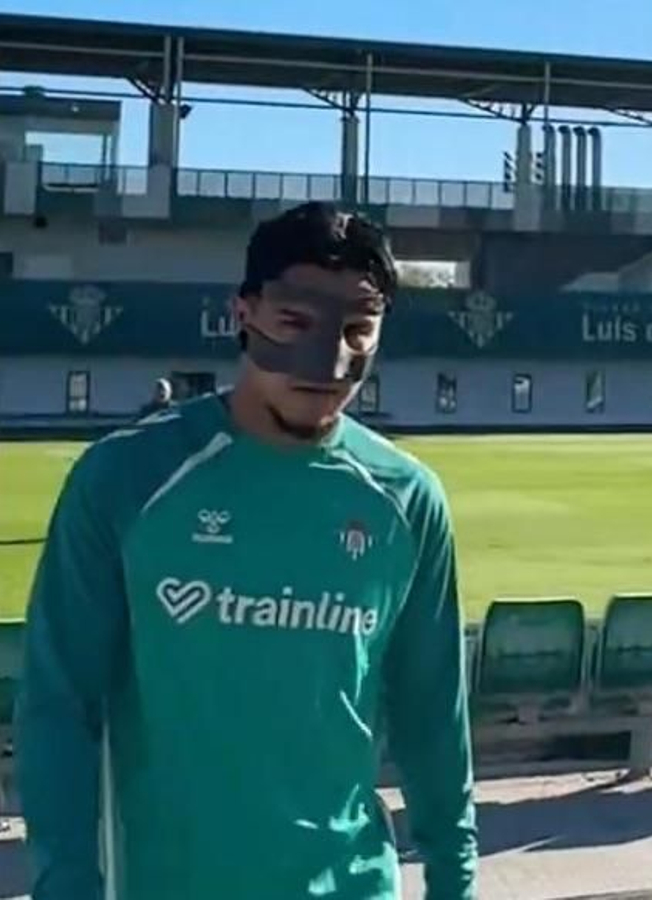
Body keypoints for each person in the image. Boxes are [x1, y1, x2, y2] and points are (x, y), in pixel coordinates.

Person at [18, 202, 478, 900]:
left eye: (358, 330)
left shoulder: (405, 500)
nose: (329, 362)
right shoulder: (125, 478)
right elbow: (58, 706)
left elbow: (432, 718)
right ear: (244, 313)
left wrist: (455, 883)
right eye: (295, 324)